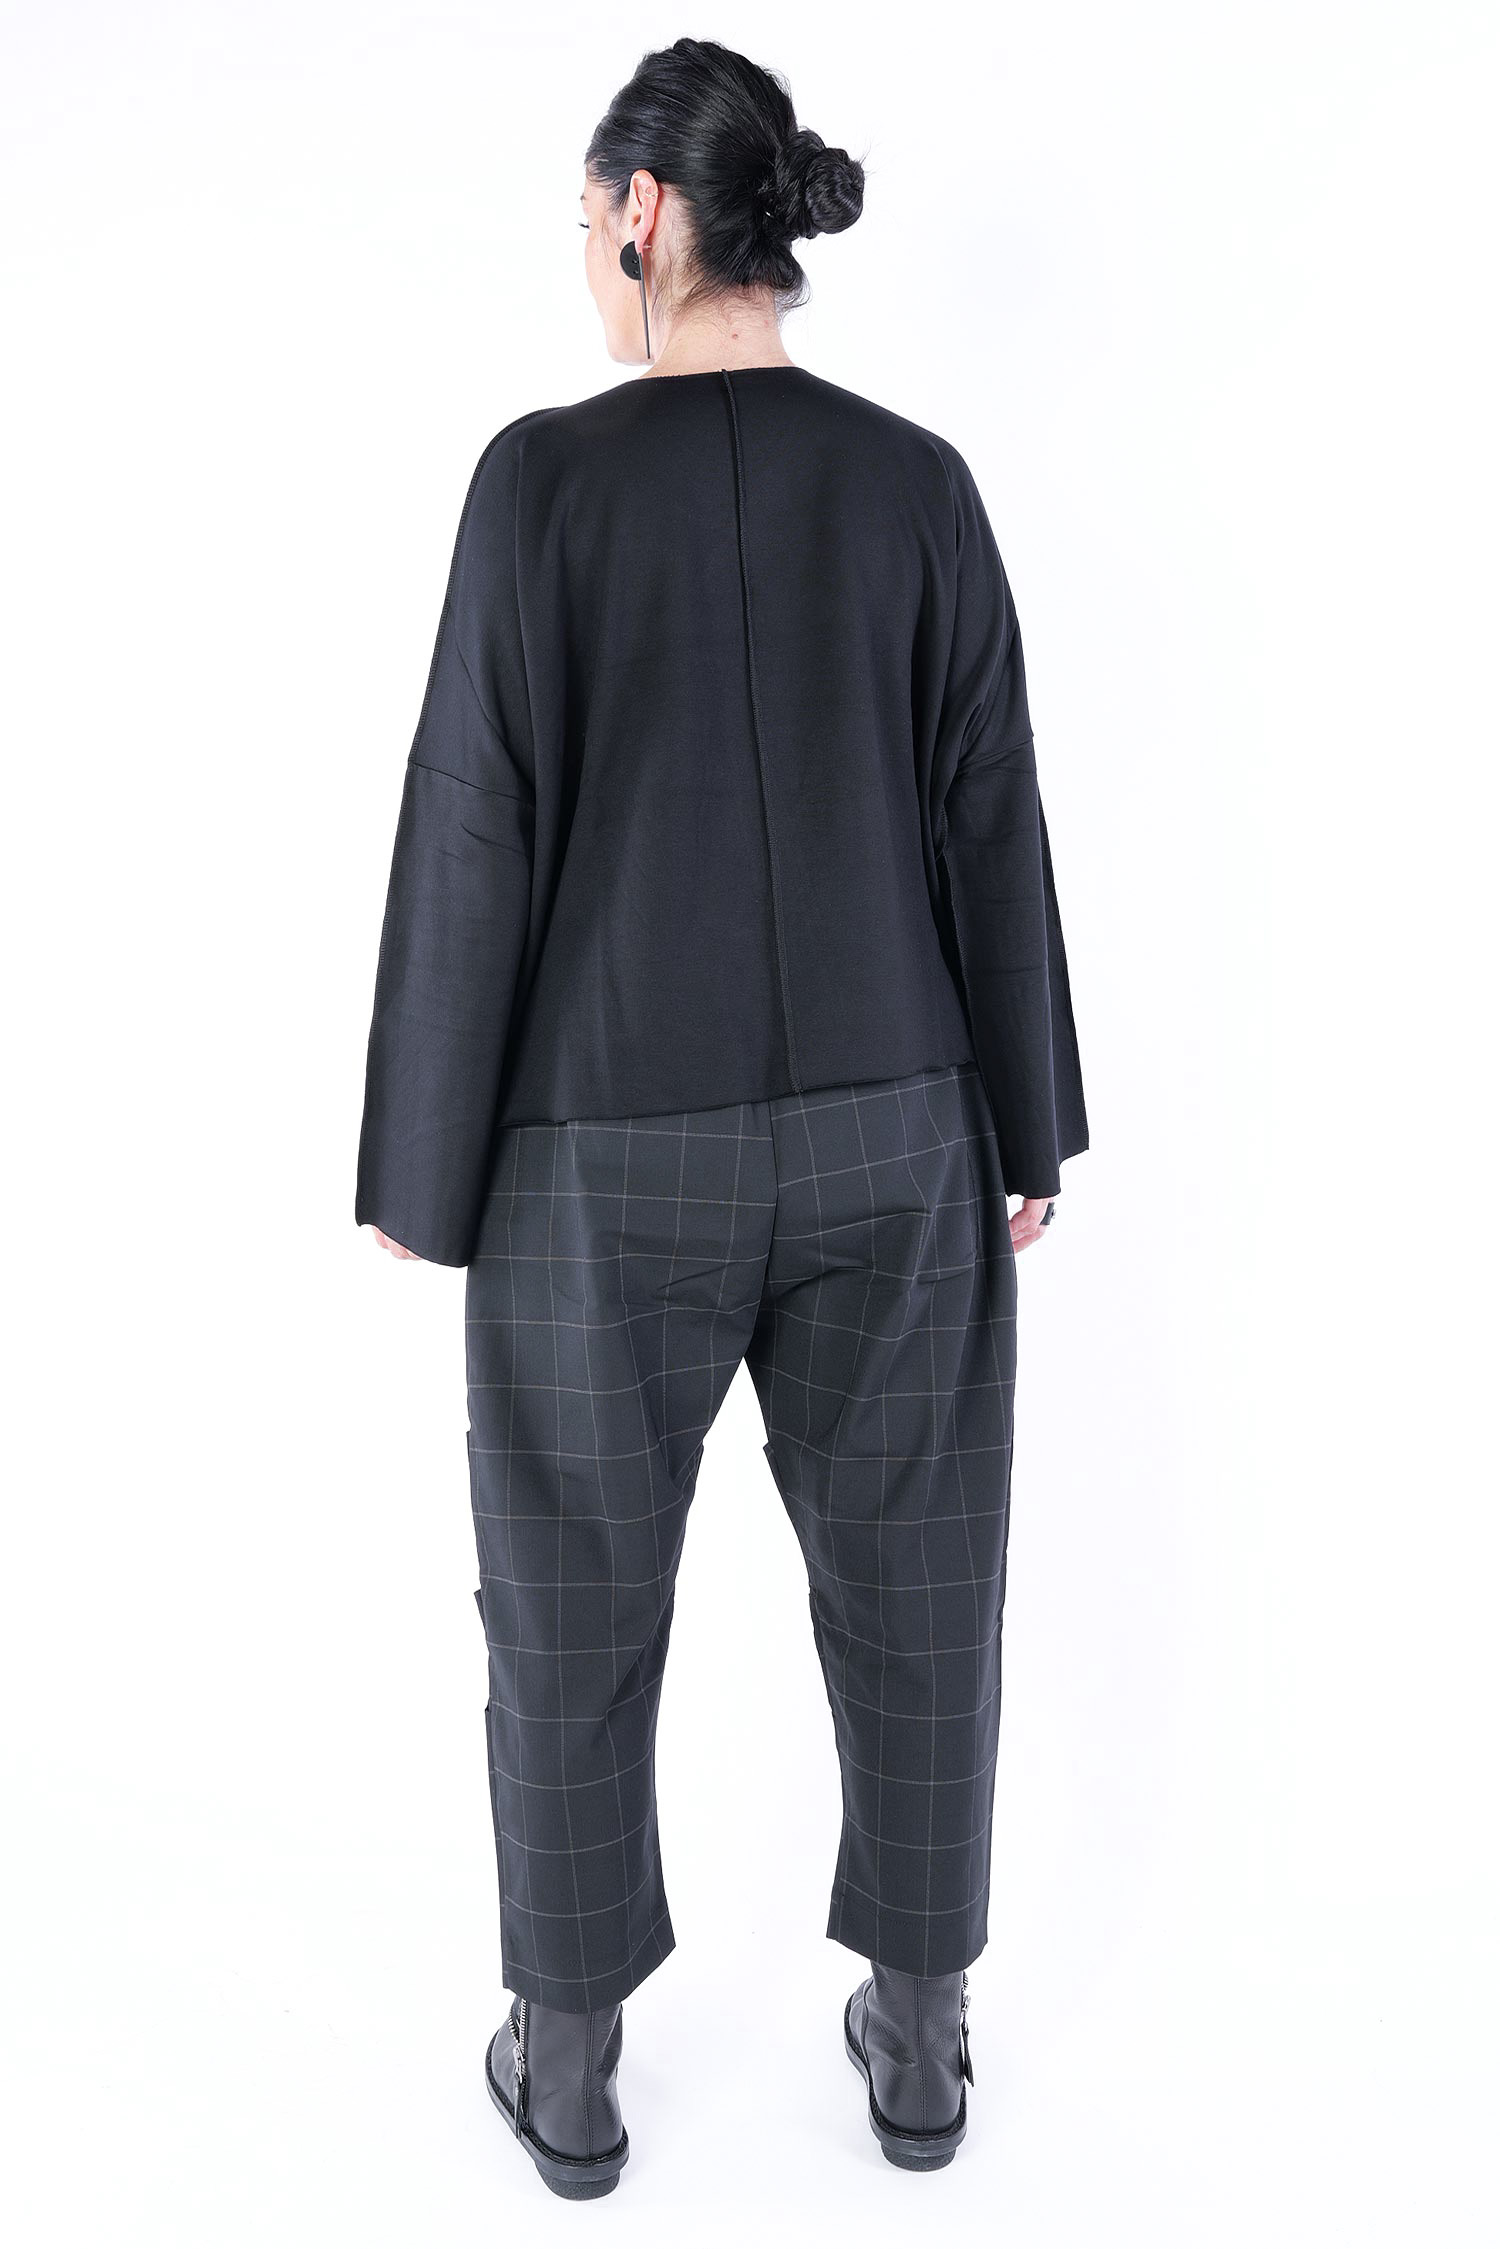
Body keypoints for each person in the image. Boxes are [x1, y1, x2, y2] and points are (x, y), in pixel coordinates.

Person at [355, 36, 1088, 2199]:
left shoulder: (540, 486)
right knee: (923, 1590)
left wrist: (423, 1171)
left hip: (597, 1158)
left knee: (567, 1604)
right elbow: (988, 812)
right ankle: (924, 2043)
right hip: (898, 1136)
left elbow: (473, 820)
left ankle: (572, 2064)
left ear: (646, 214)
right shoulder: (919, 485)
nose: (584, 259)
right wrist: (1025, 1129)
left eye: (587, 221)